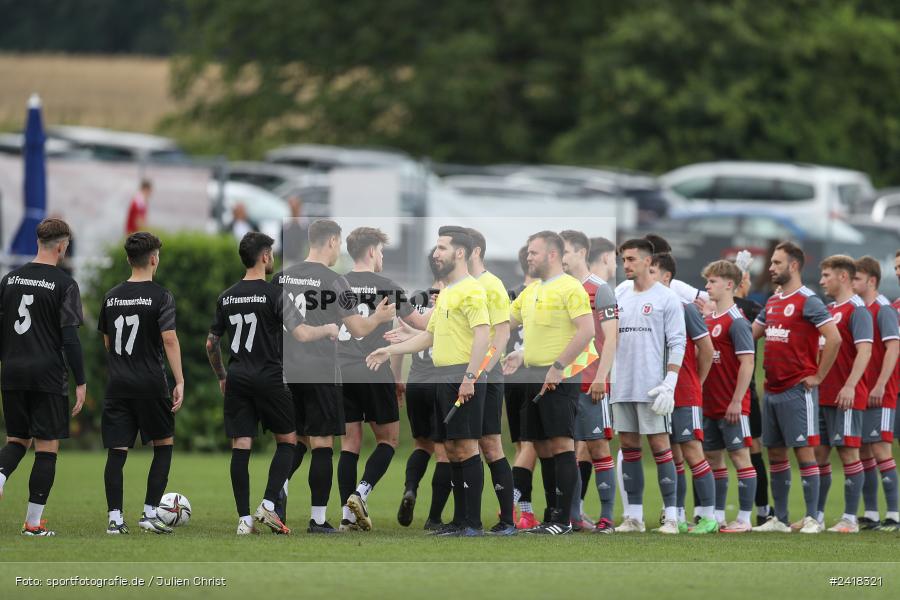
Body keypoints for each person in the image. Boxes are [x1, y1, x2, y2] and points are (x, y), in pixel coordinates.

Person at [206, 232, 336, 535]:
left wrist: (223, 376)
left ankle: (243, 520)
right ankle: (267, 502)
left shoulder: (226, 296)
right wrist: (328, 327)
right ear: (264, 257)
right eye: (271, 254)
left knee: (241, 445)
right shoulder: (275, 294)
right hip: (269, 376)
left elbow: (211, 344)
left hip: (237, 377)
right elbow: (302, 333)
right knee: (289, 441)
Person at [367, 226, 491, 537]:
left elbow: (483, 335)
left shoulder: (472, 290)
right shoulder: (448, 292)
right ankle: (458, 521)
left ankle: (472, 523)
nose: (436, 254)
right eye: (436, 248)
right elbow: (428, 337)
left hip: (460, 374)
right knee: (451, 449)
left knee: (466, 448)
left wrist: (470, 376)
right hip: (442, 377)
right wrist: (389, 349)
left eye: (442, 248)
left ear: (459, 253)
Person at [273, 219, 394, 533]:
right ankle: (317, 519)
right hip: (321, 370)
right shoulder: (336, 281)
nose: (339, 249)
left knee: (293, 441)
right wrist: (379, 317)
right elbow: (358, 329)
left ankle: (276, 496)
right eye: (338, 244)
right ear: (330, 242)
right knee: (322, 444)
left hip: (287, 372)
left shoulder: (281, 278)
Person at [502, 231, 594, 535]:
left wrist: (558, 366)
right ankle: (551, 516)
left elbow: (586, 331)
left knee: (560, 443)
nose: (529, 257)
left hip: (558, 378)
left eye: (534, 252)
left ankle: (563, 520)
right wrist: (518, 353)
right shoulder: (530, 292)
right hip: (531, 376)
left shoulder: (570, 288)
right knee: (540, 445)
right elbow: (504, 325)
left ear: (553, 255)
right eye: (529, 252)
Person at [0, 218, 86, 536]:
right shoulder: (65, 284)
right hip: (47, 373)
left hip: (12, 370)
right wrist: (81, 380)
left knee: (17, 440)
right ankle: (33, 524)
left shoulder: (9, 279)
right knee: (46, 447)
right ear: (62, 246)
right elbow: (70, 338)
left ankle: (0, 475)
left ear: (38, 242)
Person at [336, 227, 422, 532]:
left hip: (341, 371)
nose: (382, 256)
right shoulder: (387, 286)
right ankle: (361, 494)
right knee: (389, 440)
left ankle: (347, 516)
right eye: (381, 251)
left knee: (350, 443)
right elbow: (419, 323)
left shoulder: (337, 284)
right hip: (373, 369)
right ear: (372, 251)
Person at [751, 242, 841, 534]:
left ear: (793, 266)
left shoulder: (808, 300)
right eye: (771, 263)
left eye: (777, 263)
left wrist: (817, 377)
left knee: (805, 452)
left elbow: (834, 338)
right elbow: (751, 334)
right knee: (776, 454)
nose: (771, 268)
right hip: (772, 389)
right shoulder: (774, 301)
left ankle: (814, 517)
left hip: (796, 390)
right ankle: (780, 518)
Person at [98, 232, 184, 535]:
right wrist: (180, 380)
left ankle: (114, 518)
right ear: (153, 259)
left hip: (119, 384)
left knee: (117, 451)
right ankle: (149, 514)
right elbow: (170, 339)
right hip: (151, 383)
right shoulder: (162, 296)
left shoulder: (111, 296)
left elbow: (108, 341)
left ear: (127, 259)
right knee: (163, 445)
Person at [610, 238, 686, 534]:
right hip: (622, 385)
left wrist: (670, 382)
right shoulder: (619, 293)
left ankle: (671, 516)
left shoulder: (666, 298)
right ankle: (634, 516)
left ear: (647, 262)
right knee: (629, 447)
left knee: (659, 447)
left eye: (630, 259)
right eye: (623, 260)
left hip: (652, 387)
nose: (625, 265)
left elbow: (677, 342)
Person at [649, 252, 716, 534]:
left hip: (685, 392)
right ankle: (675, 515)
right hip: (661, 393)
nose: (646, 276)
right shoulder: (650, 308)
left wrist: (695, 383)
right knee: (672, 455)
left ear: (666, 277)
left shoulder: (685, 307)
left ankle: (709, 517)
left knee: (692, 452)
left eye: (652, 271)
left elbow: (708, 350)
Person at [560, 232, 618, 533]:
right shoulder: (559, 289)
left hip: (591, 384)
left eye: (566, 251)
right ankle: (572, 517)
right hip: (563, 383)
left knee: (598, 447)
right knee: (567, 451)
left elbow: (611, 338)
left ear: (582, 252)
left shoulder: (600, 290)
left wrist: (600, 378)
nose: (561, 257)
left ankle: (607, 516)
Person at [811, 256, 873, 533]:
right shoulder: (828, 310)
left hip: (847, 395)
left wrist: (850, 385)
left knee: (849, 453)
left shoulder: (857, 310)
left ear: (843, 277)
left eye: (826, 275)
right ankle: (818, 517)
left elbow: (866, 351)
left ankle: (850, 519)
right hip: (823, 394)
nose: (822, 281)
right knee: (819, 454)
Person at [392, 250, 450, 530]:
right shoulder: (455, 297)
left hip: (416, 381)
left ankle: (411, 488)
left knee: (421, 445)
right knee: (444, 451)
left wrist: (396, 380)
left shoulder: (415, 299)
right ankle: (434, 518)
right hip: (442, 382)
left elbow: (397, 338)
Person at [465, 228, 516, 536]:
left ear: (475, 252)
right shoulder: (459, 285)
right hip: (463, 374)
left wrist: (482, 370)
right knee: (465, 444)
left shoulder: (491, 284)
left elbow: (502, 334)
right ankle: (466, 520)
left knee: (489, 444)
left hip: (486, 375)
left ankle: (507, 521)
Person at [701, 260, 757, 533]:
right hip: (709, 403)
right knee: (713, 459)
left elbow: (747, 363)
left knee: (740, 458)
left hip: (732, 405)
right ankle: (719, 516)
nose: (707, 286)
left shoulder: (737, 322)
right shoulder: (710, 320)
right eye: (708, 281)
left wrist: (737, 400)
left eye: (712, 282)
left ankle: (745, 519)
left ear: (729, 285)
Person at [852, 256, 899, 531]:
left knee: (881, 448)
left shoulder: (884, 309)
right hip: (862, 391)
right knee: (864, 451)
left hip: (882, 392)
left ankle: (893, 514)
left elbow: (893, 348)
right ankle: (870, 513)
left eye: (857, 278)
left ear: (871, 280)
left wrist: (881, 384)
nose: (853, 282)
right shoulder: (860, 309)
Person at [733, 260, 772, 525]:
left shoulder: (750, 309)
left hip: (742, 392)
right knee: (751, 450)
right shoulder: (752, 308)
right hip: (746, 392)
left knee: (744, 451)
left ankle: (705, 511)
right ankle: (761, 510)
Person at [506, 245, 540, 530]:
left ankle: (525, 513)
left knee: (522, 447)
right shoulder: (546, 293)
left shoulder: (510, 293)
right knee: (533, 446)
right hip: (532, 374)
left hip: (509, 376)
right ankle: (509, 504)